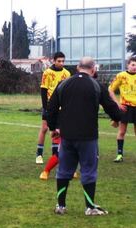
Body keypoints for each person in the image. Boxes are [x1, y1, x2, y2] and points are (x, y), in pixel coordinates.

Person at [47, 57, 121, 216]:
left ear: (77, 68)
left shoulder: (63, 84)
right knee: (88, 170)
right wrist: (118, 118)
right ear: (93, 70)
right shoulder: (96, 85)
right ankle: (89, 207)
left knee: (64, 170)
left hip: (67, 136)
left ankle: (61, 206)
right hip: (88, 137)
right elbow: (111, 107)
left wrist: (54, 128)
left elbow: (50, 108)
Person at [38, 52, 72, 180]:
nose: (61, 63)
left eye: (63, 61)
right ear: (54, 61)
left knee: (62, 134)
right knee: (47, 129)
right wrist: (45, 108)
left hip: (63, 109)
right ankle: (39, 154)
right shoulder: (47, 73)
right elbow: (43, 90)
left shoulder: (67, 74)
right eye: (59, 61)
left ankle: (57, 159)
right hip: (51, 108)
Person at [108, 57, 136, 163]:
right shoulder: (121, 76)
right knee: (122, 131)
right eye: (133, 64)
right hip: (125, 107)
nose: (135, 67)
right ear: (128, 65)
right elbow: (110, 89)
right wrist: (117, 103)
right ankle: (119, 155)